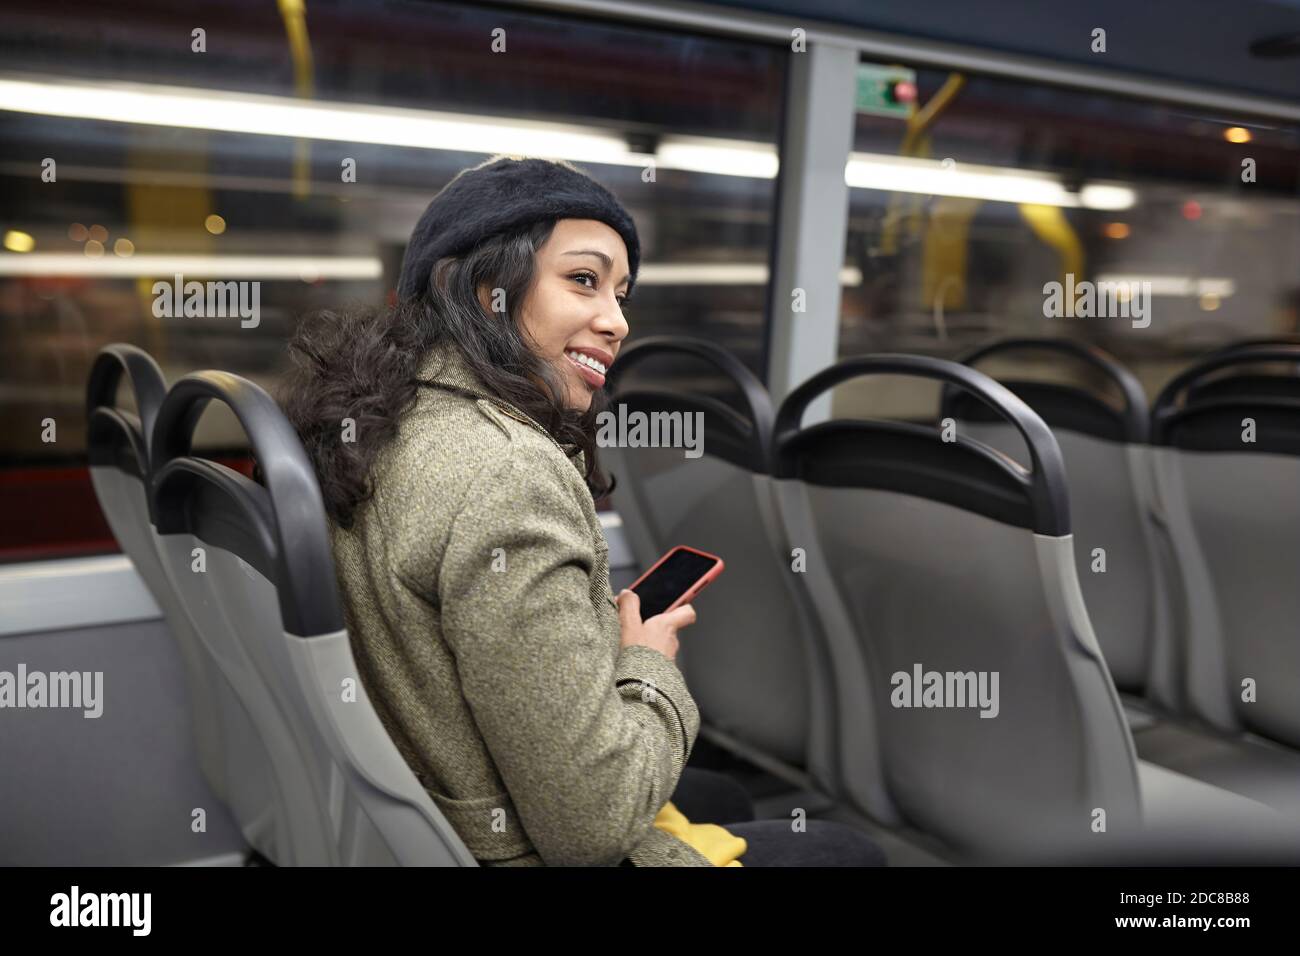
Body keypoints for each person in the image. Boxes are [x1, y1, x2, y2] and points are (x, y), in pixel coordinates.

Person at [281, 154, 884, 867]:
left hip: (432, 809)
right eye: (584, 280)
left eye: (622, 294)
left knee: (720, 797)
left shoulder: (380, 421)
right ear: (479, 290)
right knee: (845, 851)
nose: (617, 321)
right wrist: (645, 664)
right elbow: (589, 829)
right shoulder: (506, 474)